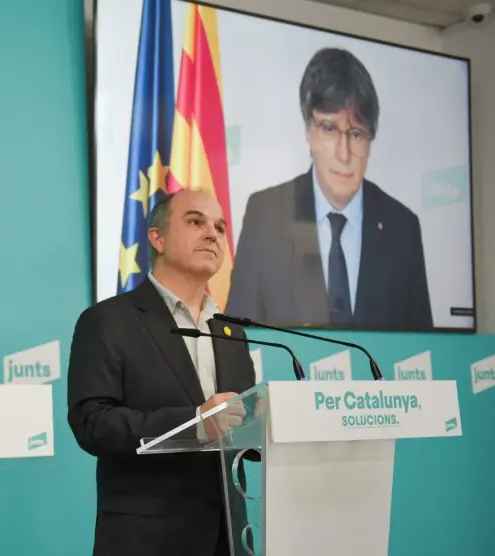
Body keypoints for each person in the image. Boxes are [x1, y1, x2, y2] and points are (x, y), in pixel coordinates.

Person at [67, 189, 257, 556]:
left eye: (219, 227)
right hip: (146, 539)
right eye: (195, 221)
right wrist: (195, 423)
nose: (212, 234)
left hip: (227, 537)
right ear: (157, 238)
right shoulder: (108, 321)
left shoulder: (231, 331)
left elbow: (242, 431)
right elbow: (92, 423)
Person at [225, 47, 432, 330]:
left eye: (356, 134)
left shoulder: (402, 226)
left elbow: (424, 346)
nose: (344, 154)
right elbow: (237, 335)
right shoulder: (266, 214)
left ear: (370, 141)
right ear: (308, 129)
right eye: (329, 129)